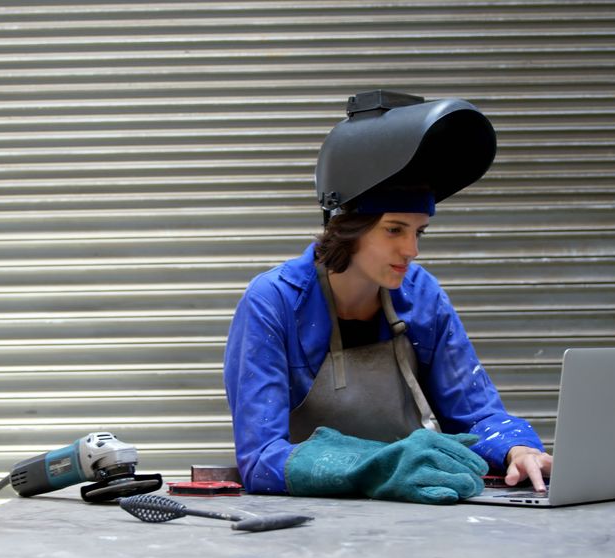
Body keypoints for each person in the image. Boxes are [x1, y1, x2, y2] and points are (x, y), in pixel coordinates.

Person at [222, 91, 553, 505]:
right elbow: (261, 459)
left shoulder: (422, 295)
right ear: (349, 226)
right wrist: (384, 463)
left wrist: (517, 450)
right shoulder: (274, 302)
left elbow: (477, 411)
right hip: (308, 528)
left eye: (419, 232)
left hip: (417, 515)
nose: (412, 250)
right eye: (394, 230)